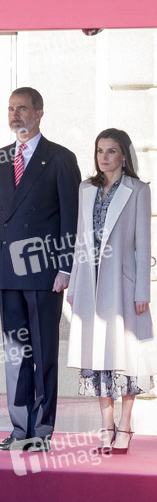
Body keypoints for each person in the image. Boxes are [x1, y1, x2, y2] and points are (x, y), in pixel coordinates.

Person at [0, 87, 81, 452]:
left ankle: (41, 430)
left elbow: (70, 218)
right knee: (15, 354)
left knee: (43, 352)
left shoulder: (60, 158)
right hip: (7, 272)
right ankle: (19, 429)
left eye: (22, 109)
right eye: (11, 108)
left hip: (44, 273)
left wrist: (65, 267)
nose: (15, 115)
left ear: (39, 113)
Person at [67, 128, 155, 454]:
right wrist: (74, 283)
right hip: (89, 284)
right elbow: (80, 240)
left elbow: (143, 243)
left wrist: (143, 290)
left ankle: (126, 425)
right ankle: (106, 426)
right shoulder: (86, 188)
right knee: (96, 354)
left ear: (124, 155)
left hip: (123, 285)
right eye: (100, 151)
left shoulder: (138, 190)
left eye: (111, 151)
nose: (104, 157)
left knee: (125, 354)